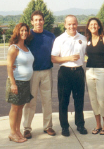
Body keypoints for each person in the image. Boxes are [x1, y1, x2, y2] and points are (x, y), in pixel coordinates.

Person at [51, 15, 88, 137]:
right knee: (63, 101)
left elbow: (90, 53)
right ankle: (65, 126)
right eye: (69, 24)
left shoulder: (82, 38)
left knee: (79, 100)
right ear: (65, 25)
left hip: (78, 72)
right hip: (65, 73)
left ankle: (80, 124)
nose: (72, 26)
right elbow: (53, 58)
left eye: (74, 24)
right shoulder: (59, 39)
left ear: (77, 24)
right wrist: (68, 58)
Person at [23, 10, 56, 139]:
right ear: (32, 22)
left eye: (40, 19)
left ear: (43, 20)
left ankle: (48, 126)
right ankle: (27, 128)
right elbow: (18, 47)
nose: (38, 22)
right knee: (30, 101)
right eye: (36, 20)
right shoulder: (27, 35)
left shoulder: (50, 36)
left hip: (47, 71)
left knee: (47, 100)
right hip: (31, 73)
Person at [6, 23, 34, 143]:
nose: (24, 33)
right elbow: (8, 67)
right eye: (22, 30)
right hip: (16, 82)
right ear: (17, 32)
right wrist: (13, 84)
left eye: (26, 31)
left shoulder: (26, 48)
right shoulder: (14, 48)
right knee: (15, 108)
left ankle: (17, 131)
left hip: (25, 82)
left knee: (20, 107)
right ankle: (12, 133)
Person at [85, 17, 104, 135]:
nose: (93, 26)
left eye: (95, 24)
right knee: (93, 99)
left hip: (102, 71)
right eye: (91, 24)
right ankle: (98, 125)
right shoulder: (87, 40)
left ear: (99, 26)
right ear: (88, 27)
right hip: (89, 71)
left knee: (102, 99)